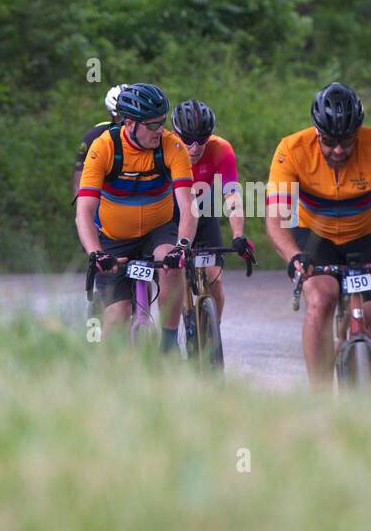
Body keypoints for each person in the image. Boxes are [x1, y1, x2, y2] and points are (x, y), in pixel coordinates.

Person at [265, 82, 371, 386]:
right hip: (314, 237)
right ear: (316, 132)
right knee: (322, 299)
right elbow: (275, 219)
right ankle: (320, 398)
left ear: (358, 133)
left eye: (347, 141)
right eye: (329, 141)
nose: (338, 150)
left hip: (367, 236)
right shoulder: (291, 150)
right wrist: (293, 256)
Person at [75, 83, 197, 350]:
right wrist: (95, 252)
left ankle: (168, 342)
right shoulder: (103, 147)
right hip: (115, 238)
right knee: (117, 318)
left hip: (158, 228)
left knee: (171, 262)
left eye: (162, 122)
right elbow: (83, 210)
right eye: (152, 125)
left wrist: (183, 246)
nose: (160, 130)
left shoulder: (172, 146)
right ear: (129, 123)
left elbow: (188, 205)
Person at [170, 99, 255, 320]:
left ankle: (212, 333)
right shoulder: (164, 147)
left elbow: (232, 194)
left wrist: (238, 234)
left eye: (202, 140)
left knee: (214, 278)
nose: (195, 147)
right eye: (187, 140)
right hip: (170, 214)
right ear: (175, 133)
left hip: (204, 211)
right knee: (173, 276)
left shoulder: (220, 148)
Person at [73, 86, 121, 195]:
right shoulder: (94, 136)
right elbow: (79, 180)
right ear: (112, 115)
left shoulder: (148, 135)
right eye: (121, 117)